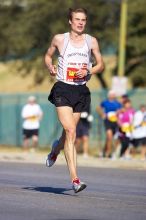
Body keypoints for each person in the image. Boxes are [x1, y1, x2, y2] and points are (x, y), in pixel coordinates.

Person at [44, 7, 104, 193]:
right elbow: (47, 56)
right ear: (70, 21)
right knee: (71, 131)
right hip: (63, 87)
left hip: (81, 91)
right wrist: (50, 66)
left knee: (69, 134)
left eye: (83, 20)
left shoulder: (91, 41)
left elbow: (101, 65)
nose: (80, 23)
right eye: (77, 19)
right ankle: (75, 180)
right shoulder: (60, 39)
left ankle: (55, 150)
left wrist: (89, 70)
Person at [96, 90, 122, 158]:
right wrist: (102, 114)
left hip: (115, 121)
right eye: (111, 94)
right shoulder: (105, 102)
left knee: (110, 138)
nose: (112, 96)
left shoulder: (117, 103)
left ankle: (105, 151)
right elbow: (98, 108)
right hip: (107, 120)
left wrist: (118, 114)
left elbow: (120, 111)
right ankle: (108, 153)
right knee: (109, 136)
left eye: (113, 95)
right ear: (109, 95)